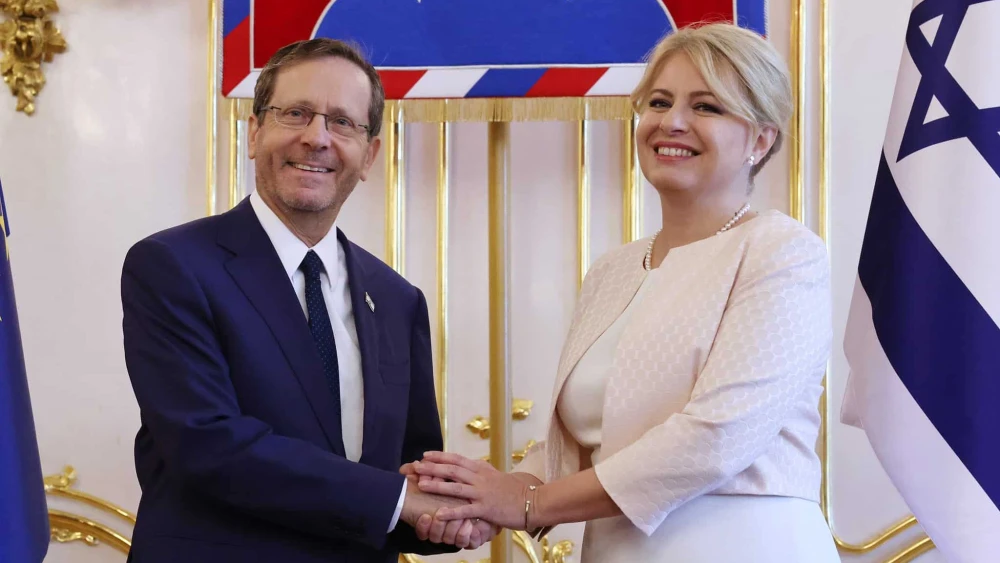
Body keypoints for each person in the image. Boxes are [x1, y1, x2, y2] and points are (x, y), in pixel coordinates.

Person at [406, 23, 840, 562]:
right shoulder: (613, 270)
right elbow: (581, 445)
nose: (671, 122)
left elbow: (716, 438)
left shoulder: (782, 251)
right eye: (659, 102)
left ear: (760, 139)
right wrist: (469, 497)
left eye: (705, 107)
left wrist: (527, 503)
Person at [121, 39, 492, 562]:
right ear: (254, 132)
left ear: (370, 155)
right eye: (295, 113)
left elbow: (404, 477)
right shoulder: (172, 266)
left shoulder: (396, 299)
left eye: (342, 123)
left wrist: (450, 515)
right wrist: (401, 499)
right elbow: (206, 445)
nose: (317, 138)